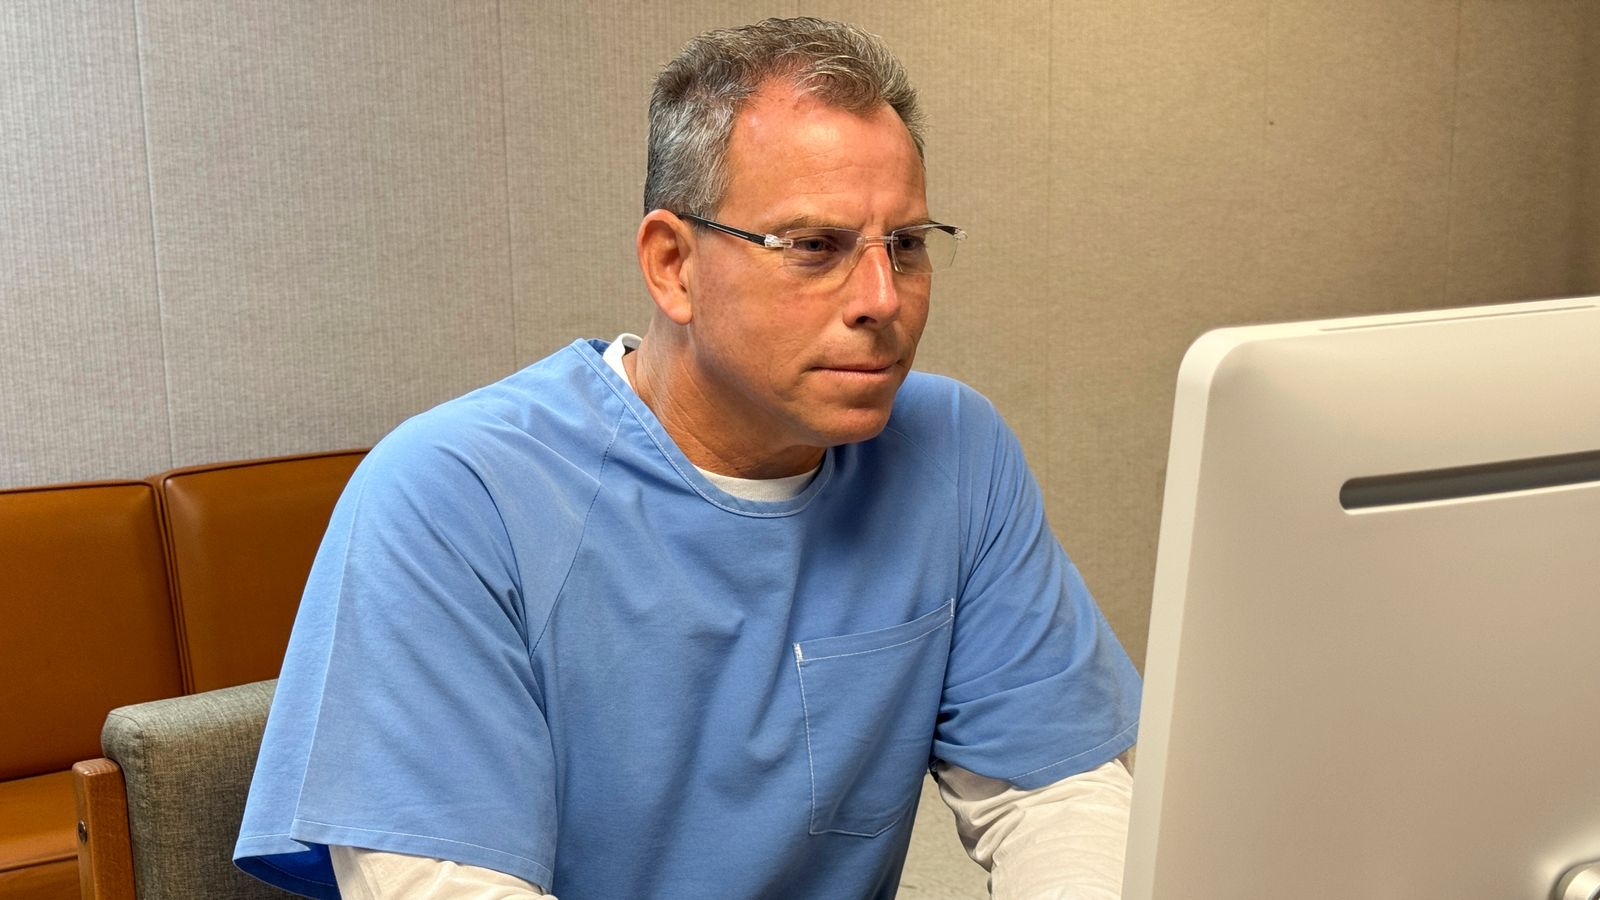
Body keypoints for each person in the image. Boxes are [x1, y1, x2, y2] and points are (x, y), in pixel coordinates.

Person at [235, 17, 1140, 900]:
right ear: (673, 265)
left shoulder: (952, 450)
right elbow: (445, 883)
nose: (882, 298)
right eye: (814, 246)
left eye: (904, 245)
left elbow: (1057, 791)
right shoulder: (455, 494)